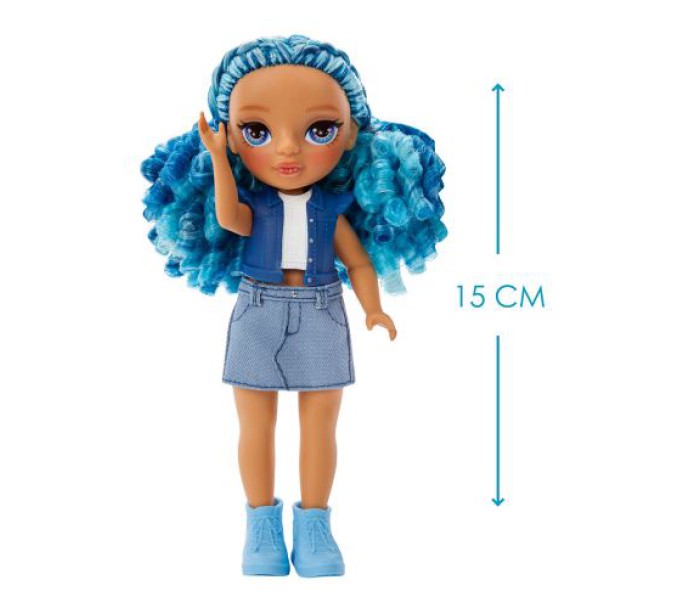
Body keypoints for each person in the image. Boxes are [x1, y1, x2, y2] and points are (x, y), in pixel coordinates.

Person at [140, 34, 447, 577]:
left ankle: (314, 527)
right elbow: (230, 218)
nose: (287, 149)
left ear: (349, 134)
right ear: (235, 138)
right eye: (258, 131)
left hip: (322, 309)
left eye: (318, 129)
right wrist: (218, 160)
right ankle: (260, 527)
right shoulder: (253, 203)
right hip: (258, 308)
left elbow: (358, 264)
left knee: (320, 424)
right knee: (255, 424)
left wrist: (373, 307)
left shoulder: (332, 208)